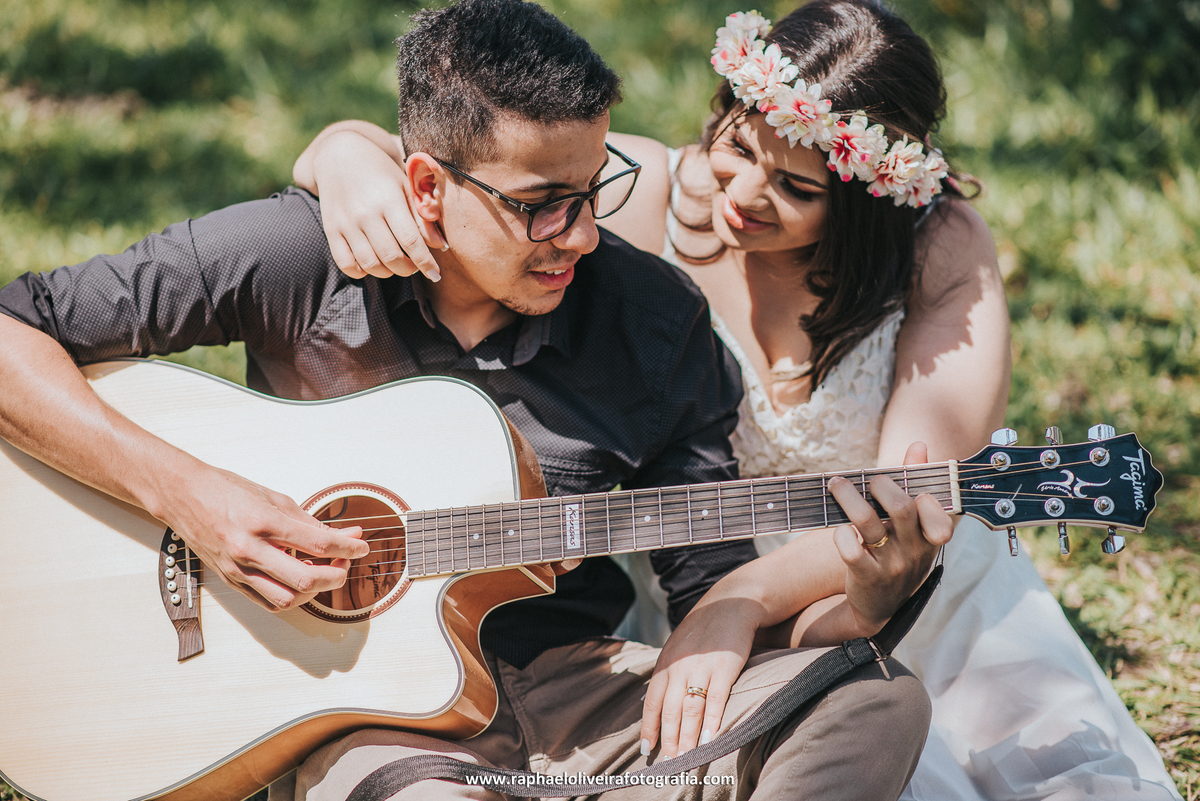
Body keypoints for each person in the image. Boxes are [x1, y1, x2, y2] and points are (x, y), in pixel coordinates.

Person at [0, 1, 955, 800]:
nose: (579, 235)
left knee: (876, 701)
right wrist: (191, 497)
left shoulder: (655, 324)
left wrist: (866, 596)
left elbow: (710, 596)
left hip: (580, 693)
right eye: (542, 203)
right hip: (365, 720)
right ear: (425, 184)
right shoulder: (295, 257)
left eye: (593, 191)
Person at [293, 1, 1184, 799]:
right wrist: (339, 154)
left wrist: (748, 599)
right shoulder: (639, 195)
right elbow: (440, 152)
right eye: (738, 150)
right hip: (690, 569)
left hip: (877, 559)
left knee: (1039, 761)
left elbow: (907, 485)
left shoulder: (939, 248)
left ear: (868, 204)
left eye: (798, 189)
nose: (746, 197)